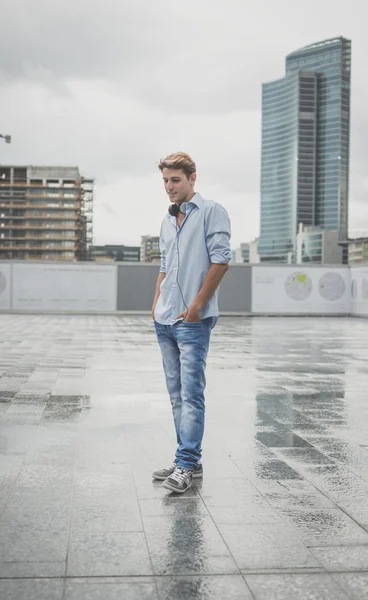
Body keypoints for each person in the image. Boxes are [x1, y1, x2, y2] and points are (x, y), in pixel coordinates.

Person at [151, 152, 231, 493]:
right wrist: (155, 305)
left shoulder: (212, 211)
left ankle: (185, 464)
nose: (169, 187)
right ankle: (189, 459)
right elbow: (165, 267)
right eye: (166, 181)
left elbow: (221, 261)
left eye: (176, 180)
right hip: (165, 319)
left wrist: (198, 306)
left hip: (192, 321)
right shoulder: (167, 221)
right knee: (176, 395)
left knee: (192, 394)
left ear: (192, 178)